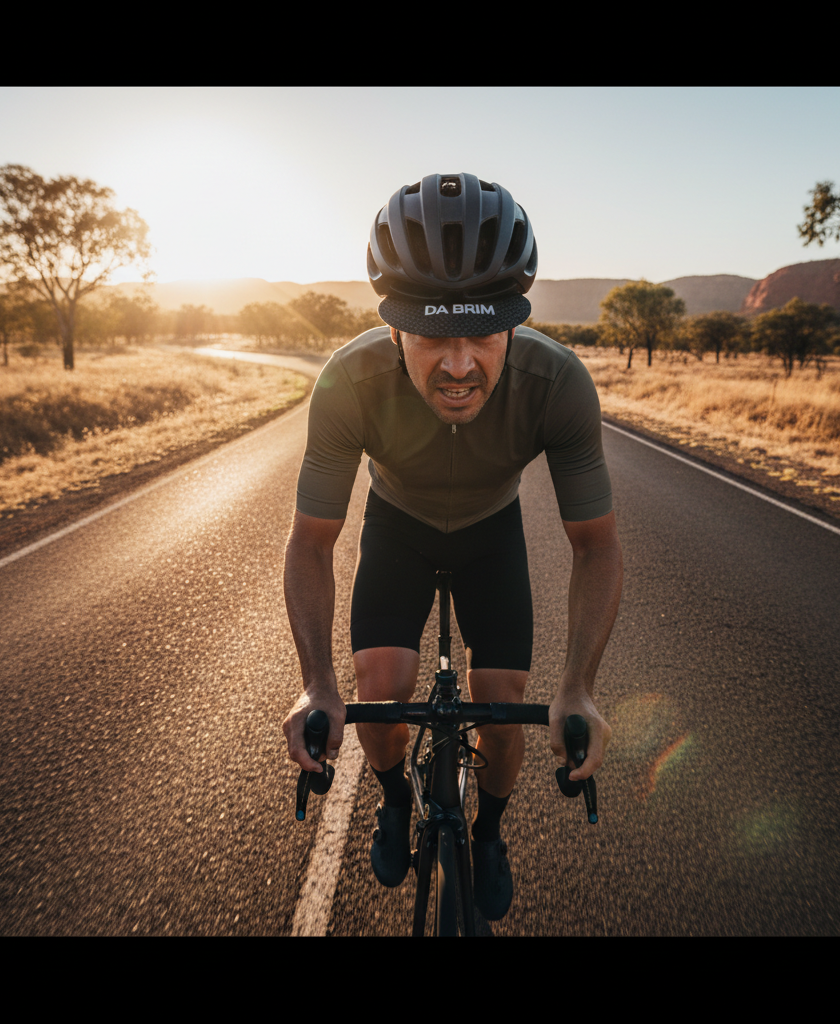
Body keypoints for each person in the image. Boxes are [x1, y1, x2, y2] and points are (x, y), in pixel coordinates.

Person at [282, 172, 622, 921]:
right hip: (396, 524)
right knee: (380, 683)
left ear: (514, 326)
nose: (461, 364)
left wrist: (580, 687)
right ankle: (396, 801)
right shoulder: (349, 380)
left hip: (489, 531)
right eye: (434, 333)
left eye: (486, 333)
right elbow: (311, 541)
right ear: (396, 328)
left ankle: (491, 833)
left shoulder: (557, 383)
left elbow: (596, 547)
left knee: (504, 705)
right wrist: (315, 683)